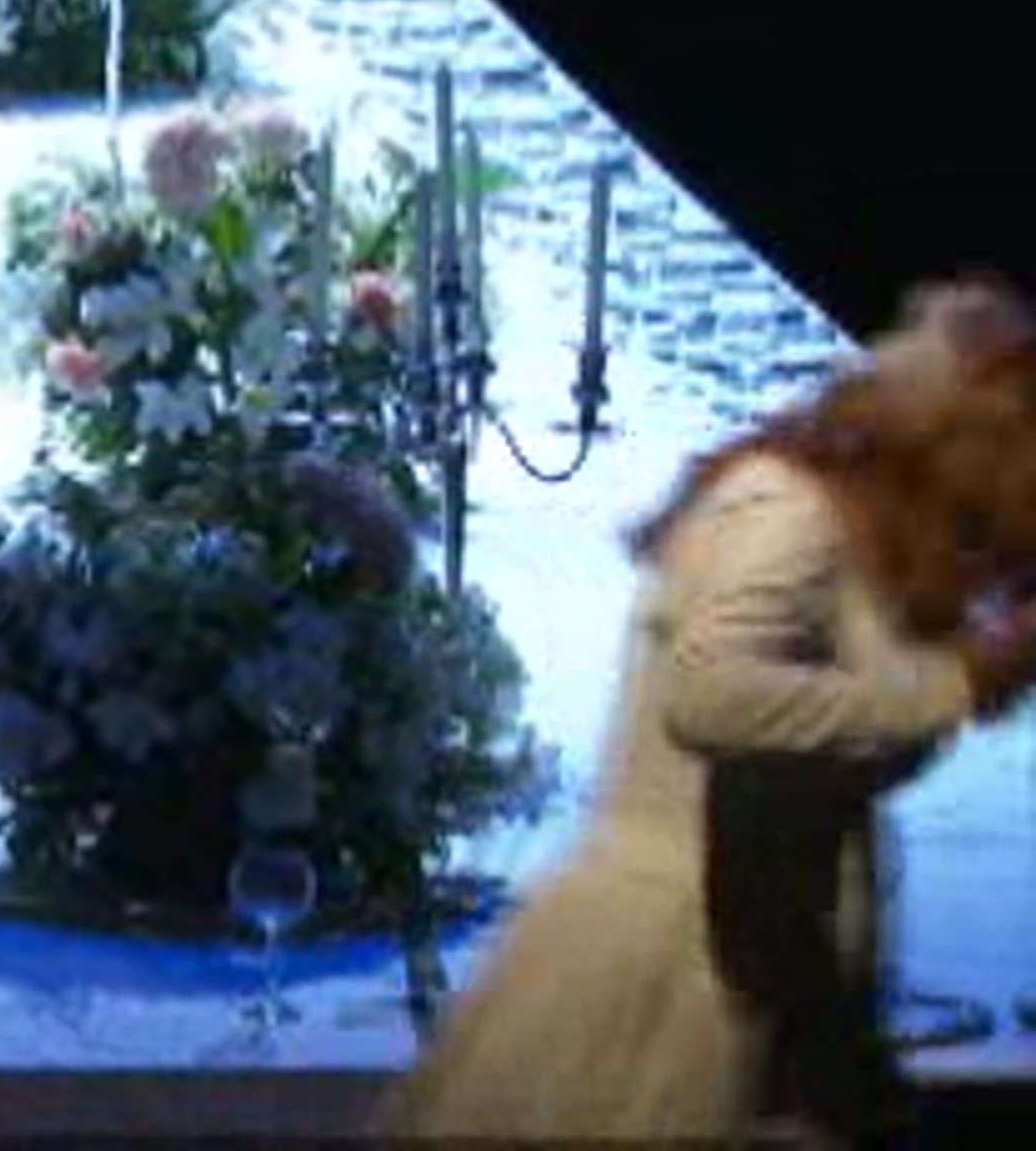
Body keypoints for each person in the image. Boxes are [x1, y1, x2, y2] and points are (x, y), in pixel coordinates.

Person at [378, 276, 1036, 1148]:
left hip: (782, 979)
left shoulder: (859, 533)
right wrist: (953, 686)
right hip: (679, 977)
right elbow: (712, 693)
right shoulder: (784, 508)